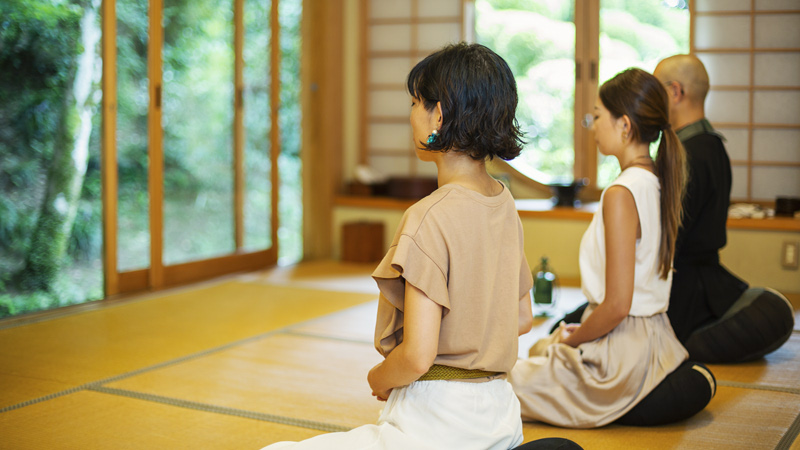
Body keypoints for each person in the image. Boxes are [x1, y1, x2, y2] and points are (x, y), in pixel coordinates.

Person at [262, 43, 579, 449]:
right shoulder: (504, 203)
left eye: (415, 102)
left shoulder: (428, 216)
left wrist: (378, 378)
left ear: (439, 114)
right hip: (502, 420)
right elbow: (520, 319)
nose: (410, 113)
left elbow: (416, 356)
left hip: (437, 425)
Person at [509, 68, 715, 428]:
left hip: (622, 354)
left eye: (598, 115)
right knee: (539, 352)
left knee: (503, 385)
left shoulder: (622, 193)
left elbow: (618, 305)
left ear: (624, 125)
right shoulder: (658, 180)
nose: (592, 125)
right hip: (655, 341)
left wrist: (571, 343)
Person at [651, 54, 795, 363]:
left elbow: (671, 238)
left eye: (656, 88)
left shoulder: (688, 153)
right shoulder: (712, 144)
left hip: (685, 284)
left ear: (675, 92)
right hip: (703, 276)